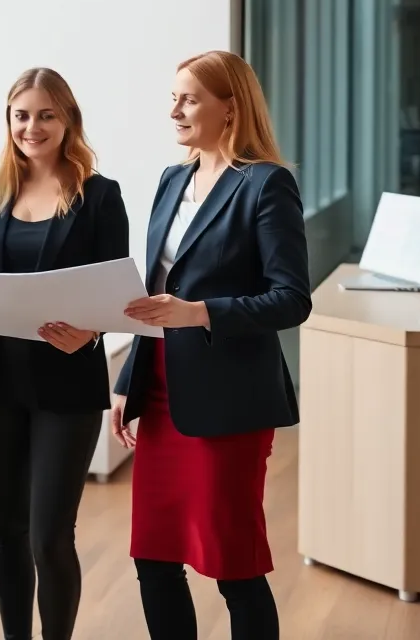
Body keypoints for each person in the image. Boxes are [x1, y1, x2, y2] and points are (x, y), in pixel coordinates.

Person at [113, 50, 311, 640]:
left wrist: (200, 313)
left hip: (229, 403)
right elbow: (155, 291)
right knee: (153, 557)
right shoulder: (172, 178)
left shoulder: (267, 184)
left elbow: (291, 299)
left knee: (234, 565)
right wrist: (128, 381)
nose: (174, 109)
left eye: (190, 98)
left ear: (230, 108)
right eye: (173, 96)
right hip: (162, 389)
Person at [0, 67, 130, 640]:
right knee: (5, 525)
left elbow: (116, 294)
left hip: (67, 380)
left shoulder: (100, 196)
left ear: (68, 120)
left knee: (51, 533)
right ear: (8, 121)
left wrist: (93, 333)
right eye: (22, 115)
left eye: (46, 114)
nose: (32, 126)